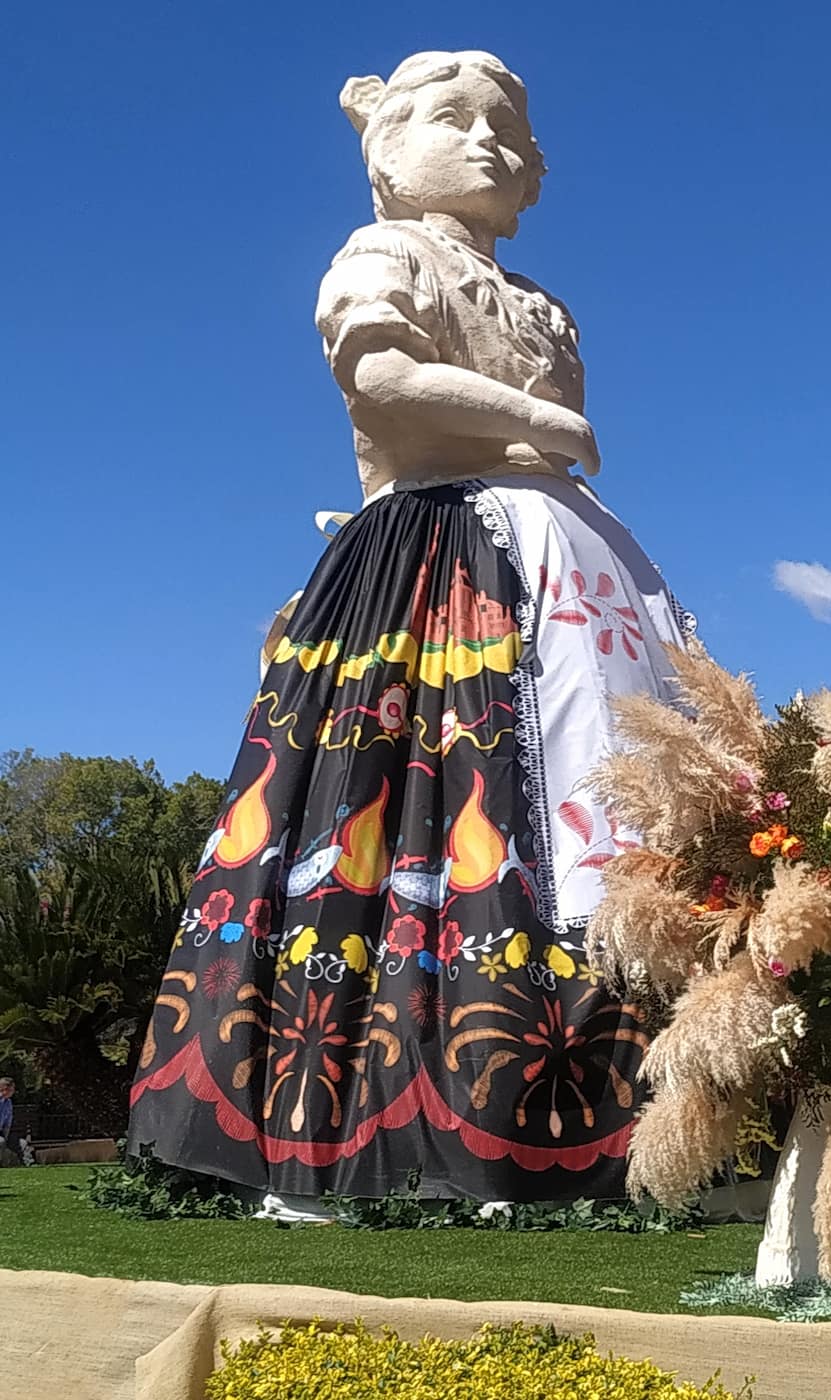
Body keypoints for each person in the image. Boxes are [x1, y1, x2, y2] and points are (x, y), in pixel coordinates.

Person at [128, 51, 693, 1206]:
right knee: (420, 807)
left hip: (572, 577)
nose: (487, 143)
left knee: (607, 804)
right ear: (384, 153)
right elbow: (380, 377)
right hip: (434, 567)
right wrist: (539, 418)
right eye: (452, 118)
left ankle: (626, 1115)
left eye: (507, 130)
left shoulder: (543, 301)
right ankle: (383, 1120)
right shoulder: (381, 254)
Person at [0, 1079, 19, 1168]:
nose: (14, 1091)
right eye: (12, 1089)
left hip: (1, 1132)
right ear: (5, 1089)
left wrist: (6, 1136)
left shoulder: (8, 1102)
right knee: (1, 1142)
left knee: (19, 1142)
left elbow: (7, 1124)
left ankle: (22, 1164)